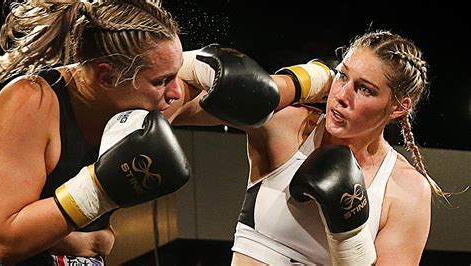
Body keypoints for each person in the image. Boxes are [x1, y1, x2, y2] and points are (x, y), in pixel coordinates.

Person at [0, 0, 279, 265]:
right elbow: (4, 243)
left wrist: (318, 78)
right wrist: (95, 195)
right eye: (162, 80)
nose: (176, 91)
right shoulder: (32, 102)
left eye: (176, 73)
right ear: (107, 76)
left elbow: (258, 98)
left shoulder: (146, 100)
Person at [177, 29, 449, 265]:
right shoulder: (288, 126)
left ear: (399, 107)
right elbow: (175, 104)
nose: (341, 96)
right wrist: (294, 83)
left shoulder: (406, 190)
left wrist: (349, 242)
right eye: (342, 76)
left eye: (364, 89)